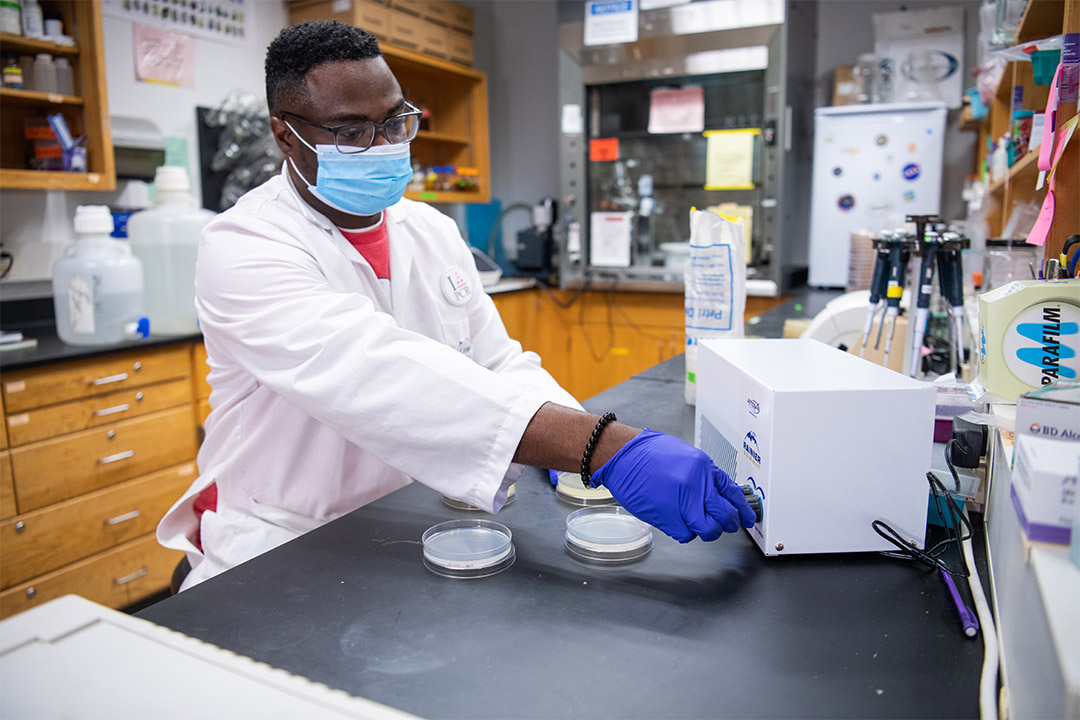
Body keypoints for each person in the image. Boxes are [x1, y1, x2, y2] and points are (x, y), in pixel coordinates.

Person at [158, 20, 755, 590]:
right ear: (286, 133)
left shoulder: (430, 230)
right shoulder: (244, 246)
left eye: (395, 122)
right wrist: (605, 445)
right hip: (283, 537)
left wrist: (572, 447)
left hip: (409, 522)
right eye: (349, 131)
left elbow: (496, 364)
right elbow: (379, 374)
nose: (382, 145)